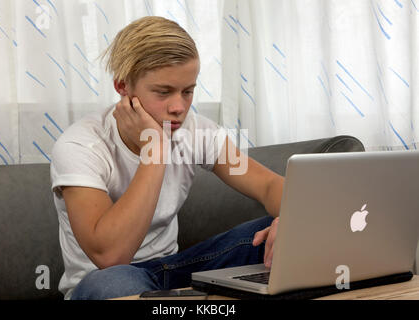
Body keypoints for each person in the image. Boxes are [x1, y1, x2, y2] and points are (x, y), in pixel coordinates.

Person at [50, 16, 284, 300]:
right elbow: (111, 256)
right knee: (110, 283)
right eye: (163, 92)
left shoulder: (197, 131)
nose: (179, 107)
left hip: (174, 271)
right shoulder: (80, 145)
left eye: (188, 91)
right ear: (123, 87)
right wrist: (155, 150)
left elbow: (269, 186)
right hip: (107, 280)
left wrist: (291, 220)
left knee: (278, 232)